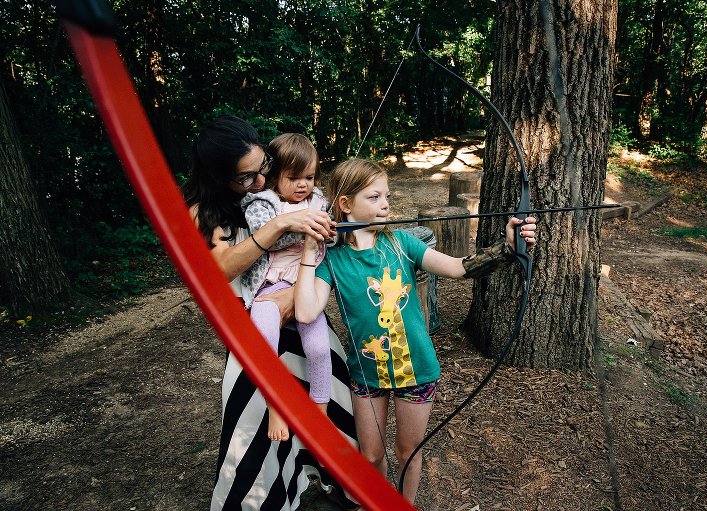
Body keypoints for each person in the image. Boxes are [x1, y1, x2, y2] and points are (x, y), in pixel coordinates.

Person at [294, 158, 537, 504]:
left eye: (387, 196)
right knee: (371, 455)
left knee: (408, 451)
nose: (385, 204)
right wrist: (308, 248)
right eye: (374, 197)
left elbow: (458, 268)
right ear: (345, 204)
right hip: (367, 373)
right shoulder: (332, 259)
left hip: (417, 370)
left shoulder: (401, 243)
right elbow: (305, 311)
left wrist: (508, 248)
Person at [182, 116, 357, 511]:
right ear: (219, 177)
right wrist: (278, 226)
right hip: (255, 329)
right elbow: (221, 269)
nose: (260, 181)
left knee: (331, 399)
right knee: (258, 426)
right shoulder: (203, 211)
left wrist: (297, 291)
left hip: (303, 311)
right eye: (245, 178)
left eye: (263, 168)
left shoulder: (282, 192)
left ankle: (341, 487)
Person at [240, 133, 331, 442]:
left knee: (319, 347)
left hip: (305, 287)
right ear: (274, 176)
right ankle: (276, 405)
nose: (303, 184)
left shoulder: (318, 200)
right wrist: (307, 229)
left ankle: (321, 409)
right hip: (268, 287)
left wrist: (328, 230)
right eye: (293, 178)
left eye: (309, 176)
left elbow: (332, 233)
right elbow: (267, 239)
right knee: (264, 338)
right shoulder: (261, 203)